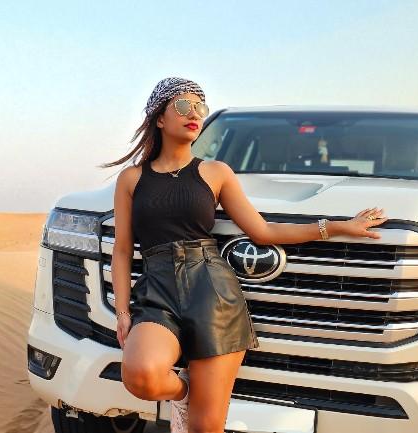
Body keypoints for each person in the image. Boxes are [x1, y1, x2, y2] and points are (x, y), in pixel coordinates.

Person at [98, 77, 388, 433]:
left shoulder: (215, 173)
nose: (195, 114)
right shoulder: (132, 179)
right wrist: (123, 312)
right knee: (141, 375)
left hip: (212, 293)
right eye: (184, 106)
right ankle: (184, 393)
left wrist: (339, 227)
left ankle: (197, 405)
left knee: (205, 429)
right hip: (157, 291)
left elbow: (263, 231)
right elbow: (123, 250)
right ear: (159, 118)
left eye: (201, 108)